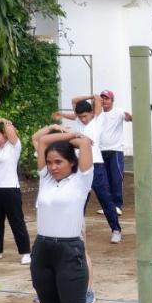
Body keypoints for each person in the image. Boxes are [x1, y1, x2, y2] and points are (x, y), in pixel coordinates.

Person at [28, 123, 110, 303]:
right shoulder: (45, 179)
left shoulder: (81, 180)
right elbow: (41, 142)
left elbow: (84, 145)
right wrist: (59, 132)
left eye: (59, 162)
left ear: (72, 163)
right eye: (50, 162)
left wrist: (75, 137)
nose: (53, 167)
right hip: (42, 249)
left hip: (68, 251)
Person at [54, 95, 122, 243]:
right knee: (79, 200)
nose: (83, 119)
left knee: (105, 199)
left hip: (96, 165)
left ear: (91, 112)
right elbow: (73, 101)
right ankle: (75, 230)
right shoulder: (78, 120)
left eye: (85, 116)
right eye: (80, 116)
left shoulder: (98, 119)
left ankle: (116, 229)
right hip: (79, 166)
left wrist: (92, 96)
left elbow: (97, 98)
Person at [0, 117, 32, 264]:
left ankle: (26, 252)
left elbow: (9, 128)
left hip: (10, 190)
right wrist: (0, 119)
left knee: (17, 222)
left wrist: (5, 121)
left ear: (4, 135)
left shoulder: (14, 146)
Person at [95, 90, 131, 214]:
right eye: (102, 98)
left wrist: (130, 117)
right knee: (104, 180)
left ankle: (117, 205)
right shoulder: (97, 114)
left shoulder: (118, 112)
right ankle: (108, 206)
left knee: (116, 178)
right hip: (100, 151)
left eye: (107, 98)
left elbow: (128, 117)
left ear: (112, 100)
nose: (104, 101)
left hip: (115, 150)